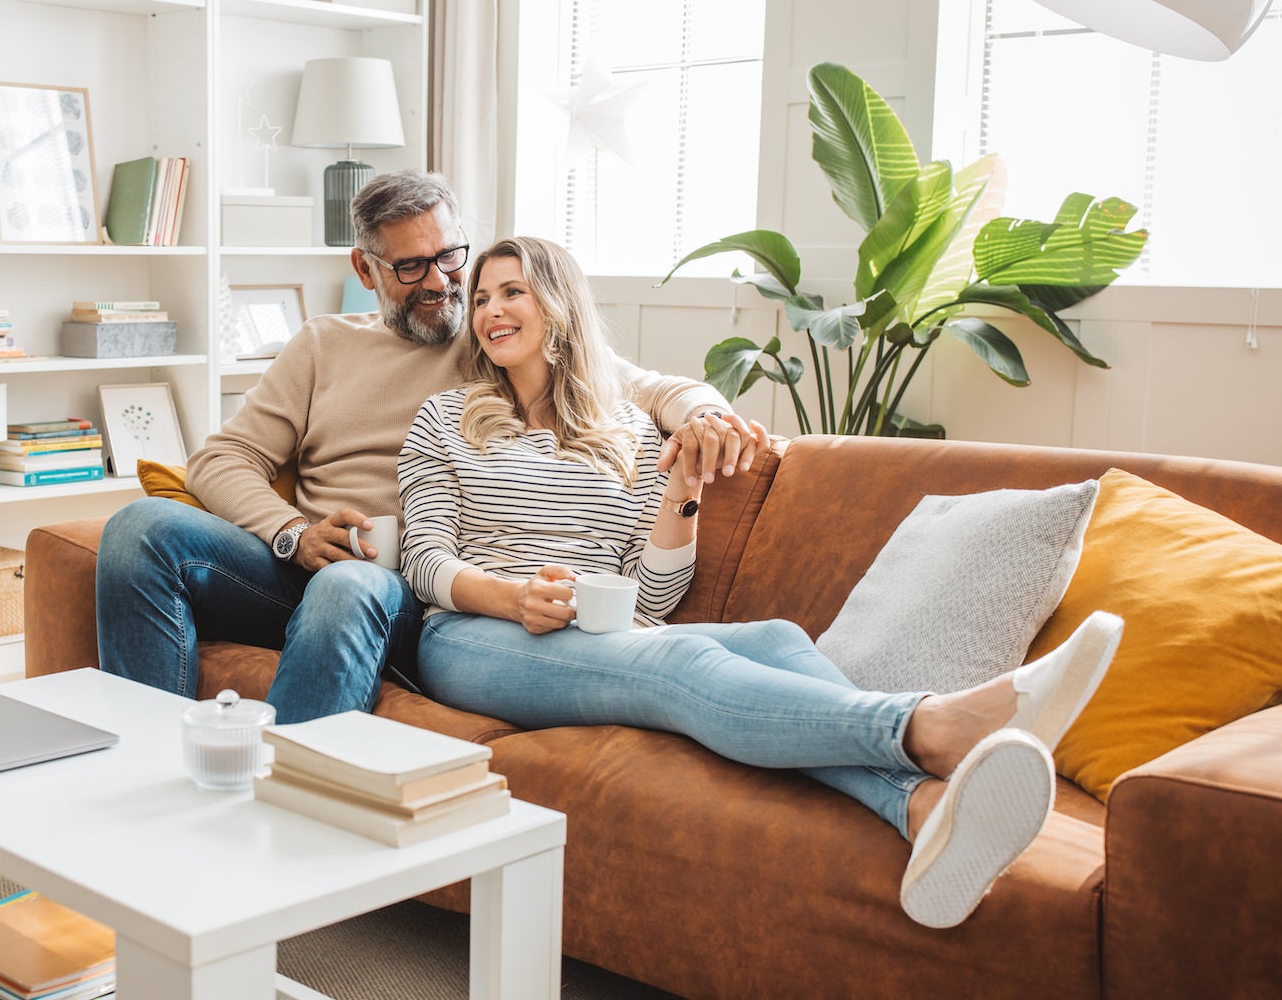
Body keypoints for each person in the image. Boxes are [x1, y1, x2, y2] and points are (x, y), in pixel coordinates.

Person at [397, 235, 1123, 928]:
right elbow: (423, 560)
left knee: (774, 637)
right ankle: (925, 726)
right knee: (678, 659)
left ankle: (921, 811)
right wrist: (511, 597)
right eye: (483, 296)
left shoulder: (629, 430)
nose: (489, 310)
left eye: (512, 291)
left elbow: (649, 600)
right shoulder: (445, 419)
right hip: (474, 636)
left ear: (558, 306)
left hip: (598, 632)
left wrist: (682, 496)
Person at [95, 171, 769, 723]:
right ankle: (148, 763)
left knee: (349, 585)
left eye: (451, 257)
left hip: (406, 585)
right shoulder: (324, 344)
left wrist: (707, 414)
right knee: (139, 529)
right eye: (411, 266)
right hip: (300, 570)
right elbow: (221, 459)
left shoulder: (496, 339)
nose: (442, 283)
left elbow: (643, 387)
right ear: (366, 267)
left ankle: (288, 812)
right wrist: (291, 533)